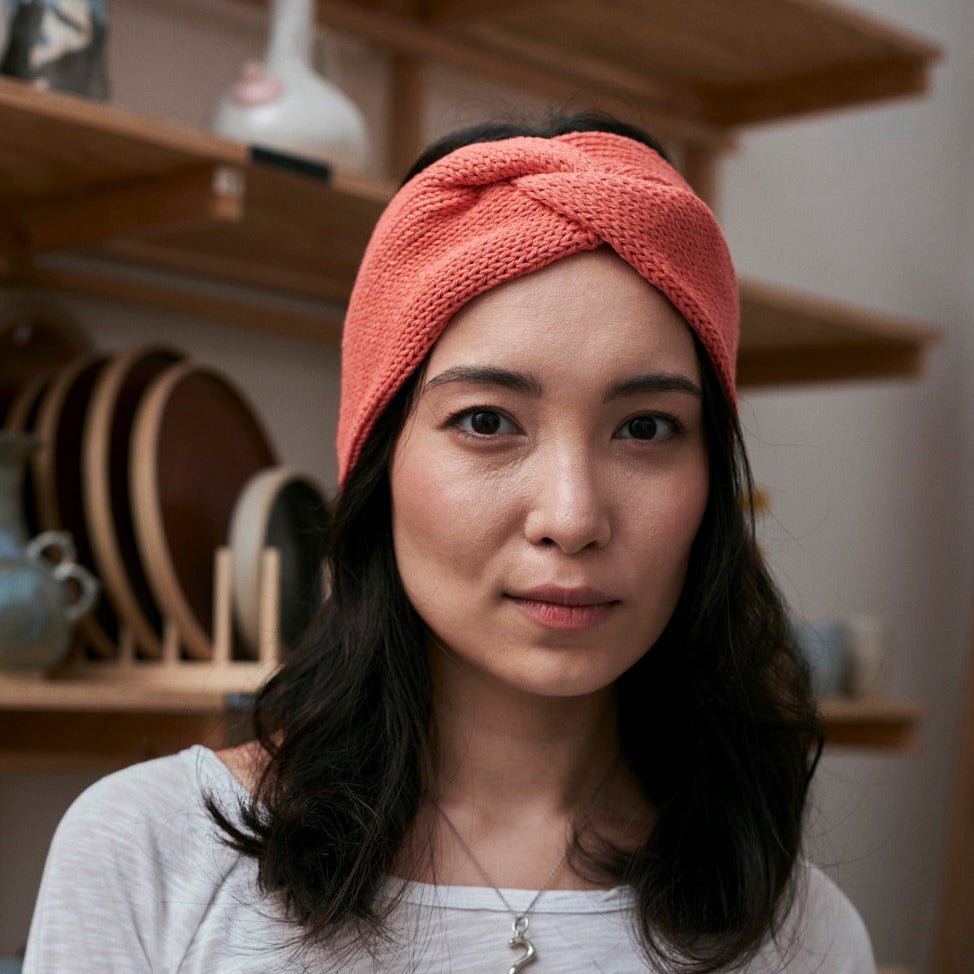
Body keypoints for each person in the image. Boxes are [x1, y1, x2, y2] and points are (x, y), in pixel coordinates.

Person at [22, 113, 875, 973]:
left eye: (646, 427)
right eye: (487, 421)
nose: (572, 517)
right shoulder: (151, 855)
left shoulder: (801, 931)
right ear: (378, 460)